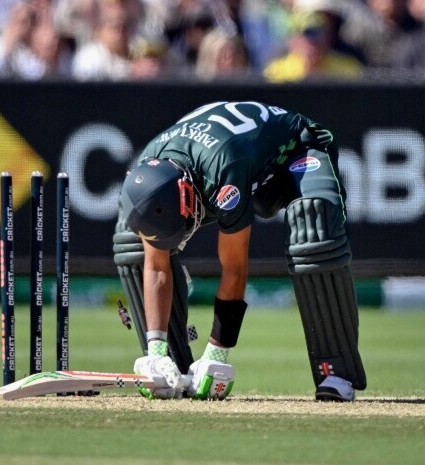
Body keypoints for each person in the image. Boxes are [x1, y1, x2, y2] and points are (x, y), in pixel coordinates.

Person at [114, 100, 366, 402]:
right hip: (229, 164)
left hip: (295, 149)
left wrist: (216, 353)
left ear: (184, 195)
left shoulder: (223, 173)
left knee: (313, 230)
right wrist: (155, 350)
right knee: (130, 242)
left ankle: (335, 372)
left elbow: (234, 269)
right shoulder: (151, 167)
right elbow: (156, 267)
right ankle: (169, 369)